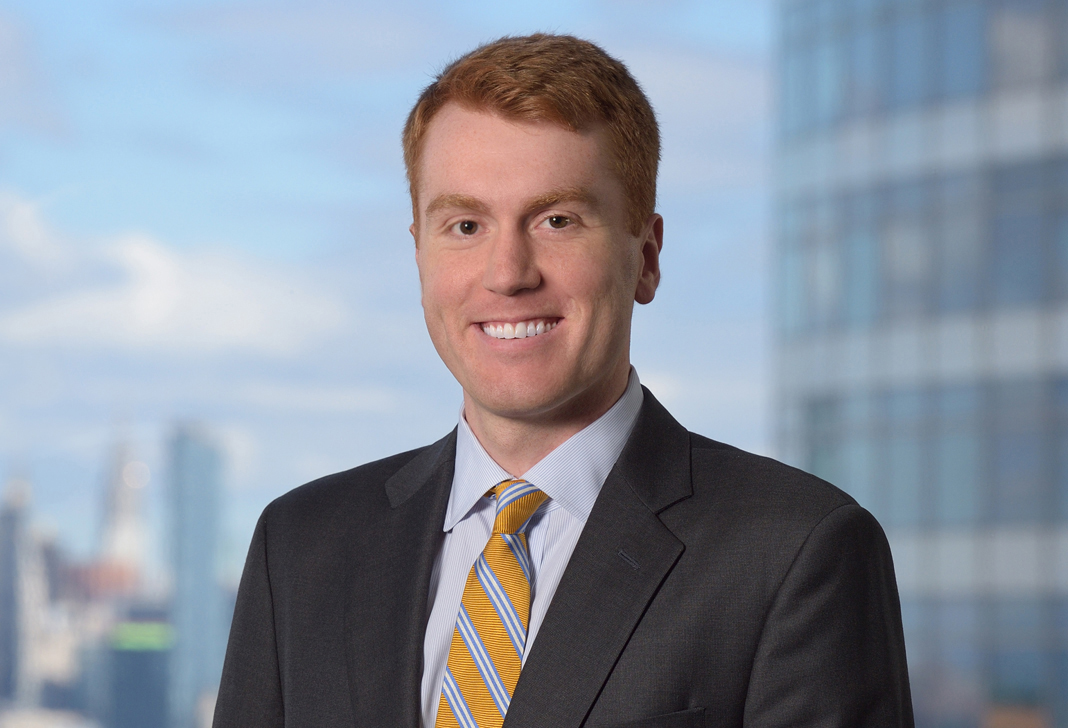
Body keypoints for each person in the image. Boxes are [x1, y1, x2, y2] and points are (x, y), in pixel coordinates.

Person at [213, 34, 914, 728]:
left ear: (646, 257)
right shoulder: (300, 547)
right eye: (465, 225)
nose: (508, 273)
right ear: (420, 256)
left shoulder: (796, 552)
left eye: (557, 220)